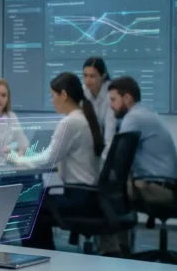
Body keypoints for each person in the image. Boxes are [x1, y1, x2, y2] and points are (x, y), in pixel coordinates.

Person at [8, 72, 105, 251]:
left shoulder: (70, 122)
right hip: (90, 196)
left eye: (53, 95)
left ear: (64, 95)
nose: (52, 100)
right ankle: (44, 251)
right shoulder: (85, 118)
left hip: (79, 198)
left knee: (28, 202)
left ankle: (37, 255)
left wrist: (18, 159)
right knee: (38, 199)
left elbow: (48, 160)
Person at [108, 75, 177, 208]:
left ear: (127, 98)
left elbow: (119, 160)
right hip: (167, 184)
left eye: (113, 100)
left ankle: (116, 227)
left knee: (103, 188)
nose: (111, 105)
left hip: (157, 188)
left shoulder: (133, 118)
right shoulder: (145, 112)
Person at [82, 57, 117, 156]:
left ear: (103, 75)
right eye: (85, 76)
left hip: (111, 140)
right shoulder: (83, 91)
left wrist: (104, 161)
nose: (87, 80)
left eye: (92, 76)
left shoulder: (111, 94)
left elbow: (110, 130)